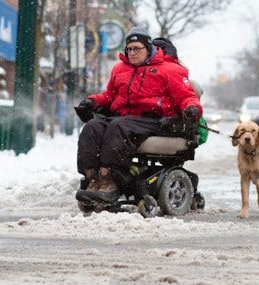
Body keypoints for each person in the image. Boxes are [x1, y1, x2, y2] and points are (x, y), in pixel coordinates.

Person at [75, 26, 203, 211]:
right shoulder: (120, 69)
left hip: (155, 121)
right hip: (124, 120)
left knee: (118, 126)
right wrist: (92, 101)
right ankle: (93, 178)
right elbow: (110, 96)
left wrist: (192, 108)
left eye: (137, 48)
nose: (132, 53)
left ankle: (108, 178)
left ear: (148, 48)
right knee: (93, 126)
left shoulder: (170, 70)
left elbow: (186, 96)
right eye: (129, 49)